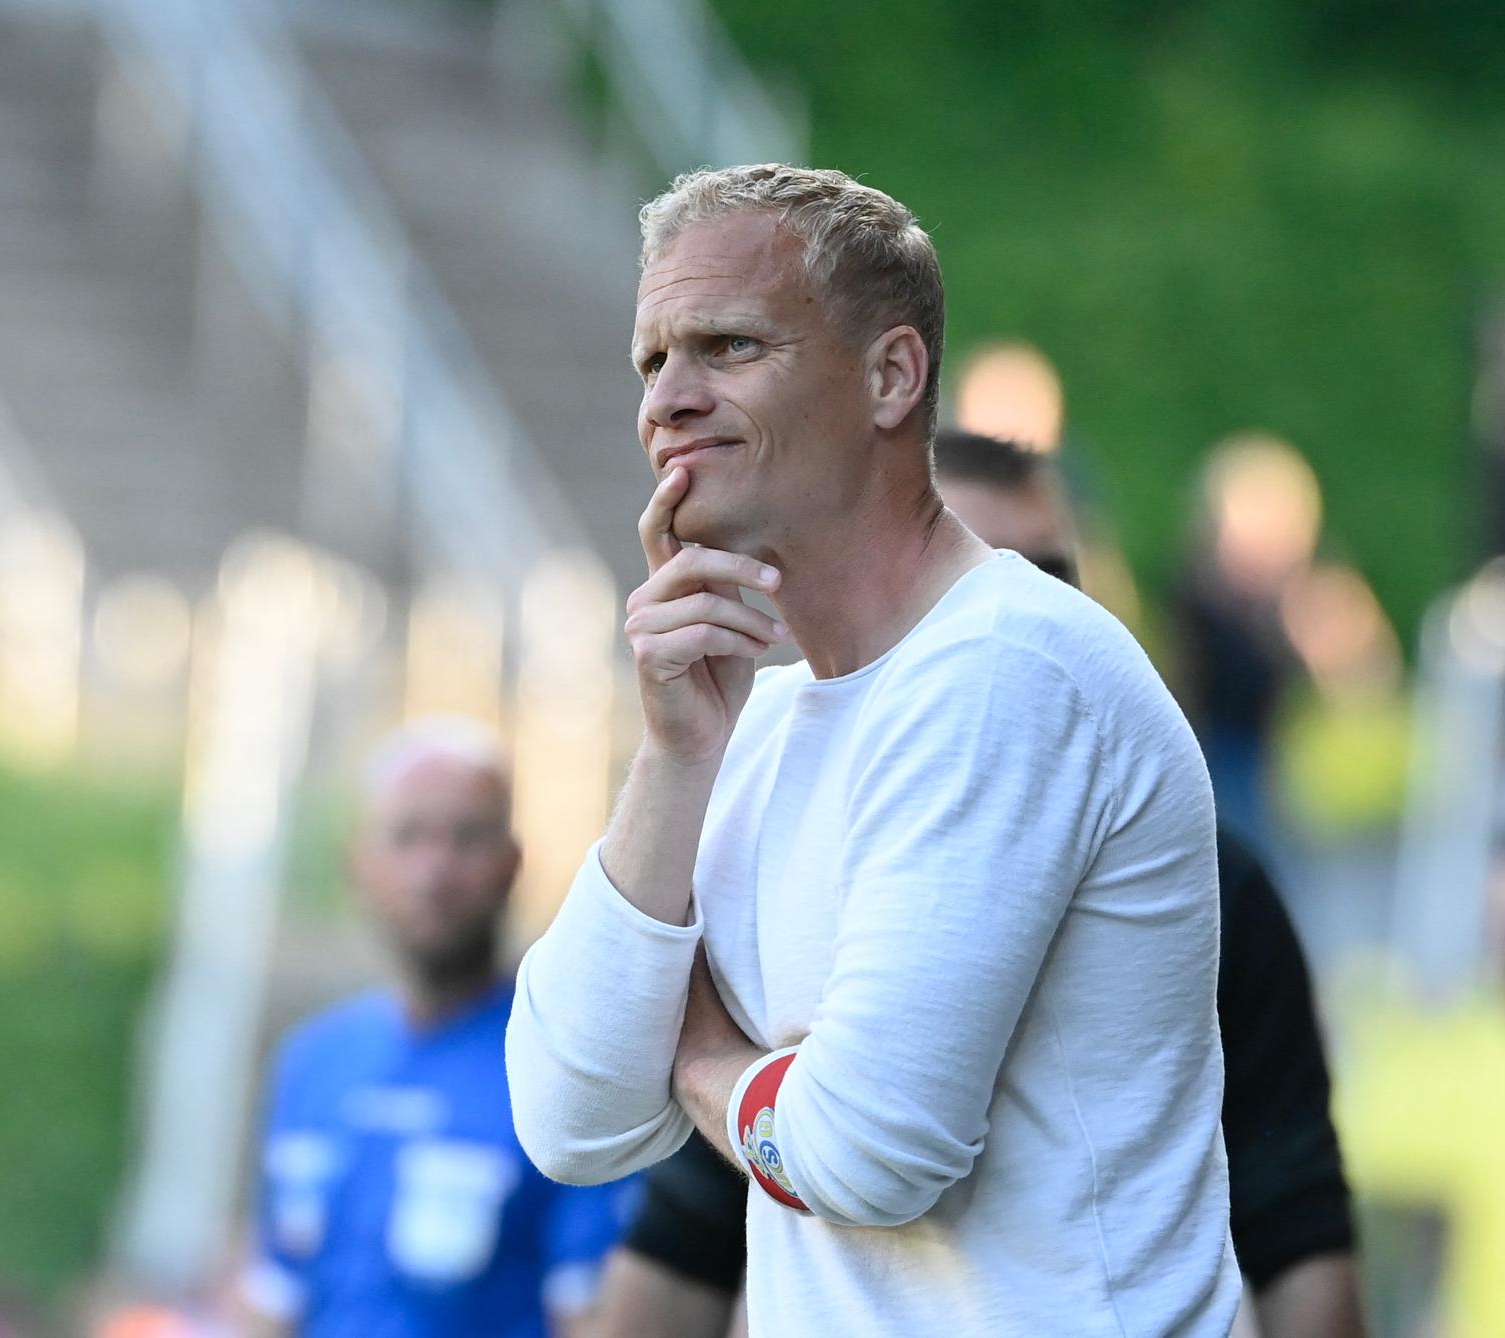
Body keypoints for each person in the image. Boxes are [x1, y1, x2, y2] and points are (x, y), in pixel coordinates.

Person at [504, 164, 1238, 1335]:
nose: (667, 403)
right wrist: (677, 752)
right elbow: (568, 1117)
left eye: (729, 347)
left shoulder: (1007, 672)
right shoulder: (756, 721)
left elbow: (871, 1154)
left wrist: (694, 1049)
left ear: (892, 376)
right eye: (652, 361)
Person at [589, 429, 1366, 1338]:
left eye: (1050, 576)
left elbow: (1298, 1228)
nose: (1015, 614)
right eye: (976, 577)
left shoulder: (1214, 882)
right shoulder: (771, 850)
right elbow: (683, 1239)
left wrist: (703, 1061)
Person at [238, 718, 634, 1338]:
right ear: (359, 863)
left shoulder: (568, 1069)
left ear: (512, 865)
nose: (434, 872)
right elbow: (274, 1298)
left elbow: (591, 1316)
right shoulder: (313, 1062)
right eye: (408, 837)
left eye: (465, 838)